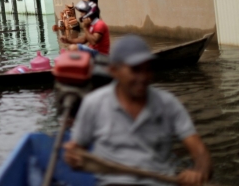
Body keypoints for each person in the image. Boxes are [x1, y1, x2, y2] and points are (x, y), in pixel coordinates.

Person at [64, 35, 212, 186]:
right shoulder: (94, 104)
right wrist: (73, 157)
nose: (143, 77)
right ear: (114, 70)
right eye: (135, 70)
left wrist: (199, 172)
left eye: (147, 69)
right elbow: (77, 152)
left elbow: (199, 151)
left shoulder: (168, 104)